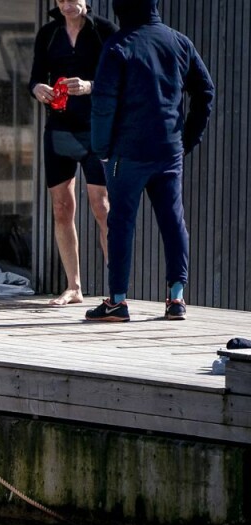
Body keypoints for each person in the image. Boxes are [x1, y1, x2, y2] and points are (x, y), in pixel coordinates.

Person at [85, 0, 214, 322]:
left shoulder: (118, 45)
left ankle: (116, 302)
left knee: (121, 225)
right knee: (173, 221)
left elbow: (103, 103)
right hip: (168, 149)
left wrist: (101, 149)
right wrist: (187, 140)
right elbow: (205, 92)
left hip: (127, 153)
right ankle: (176, 300)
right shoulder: (178, 41)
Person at [29, 0, 117, 306]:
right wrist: (38, 88)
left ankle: (116, 289)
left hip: (96, 130)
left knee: (102, 206)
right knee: (61, 207)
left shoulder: (104, 31)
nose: (67, 4)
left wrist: (90, 86)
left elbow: (123, 78)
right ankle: (74, 287)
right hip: (60, 128)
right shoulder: (49, 33)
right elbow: (35, 76)